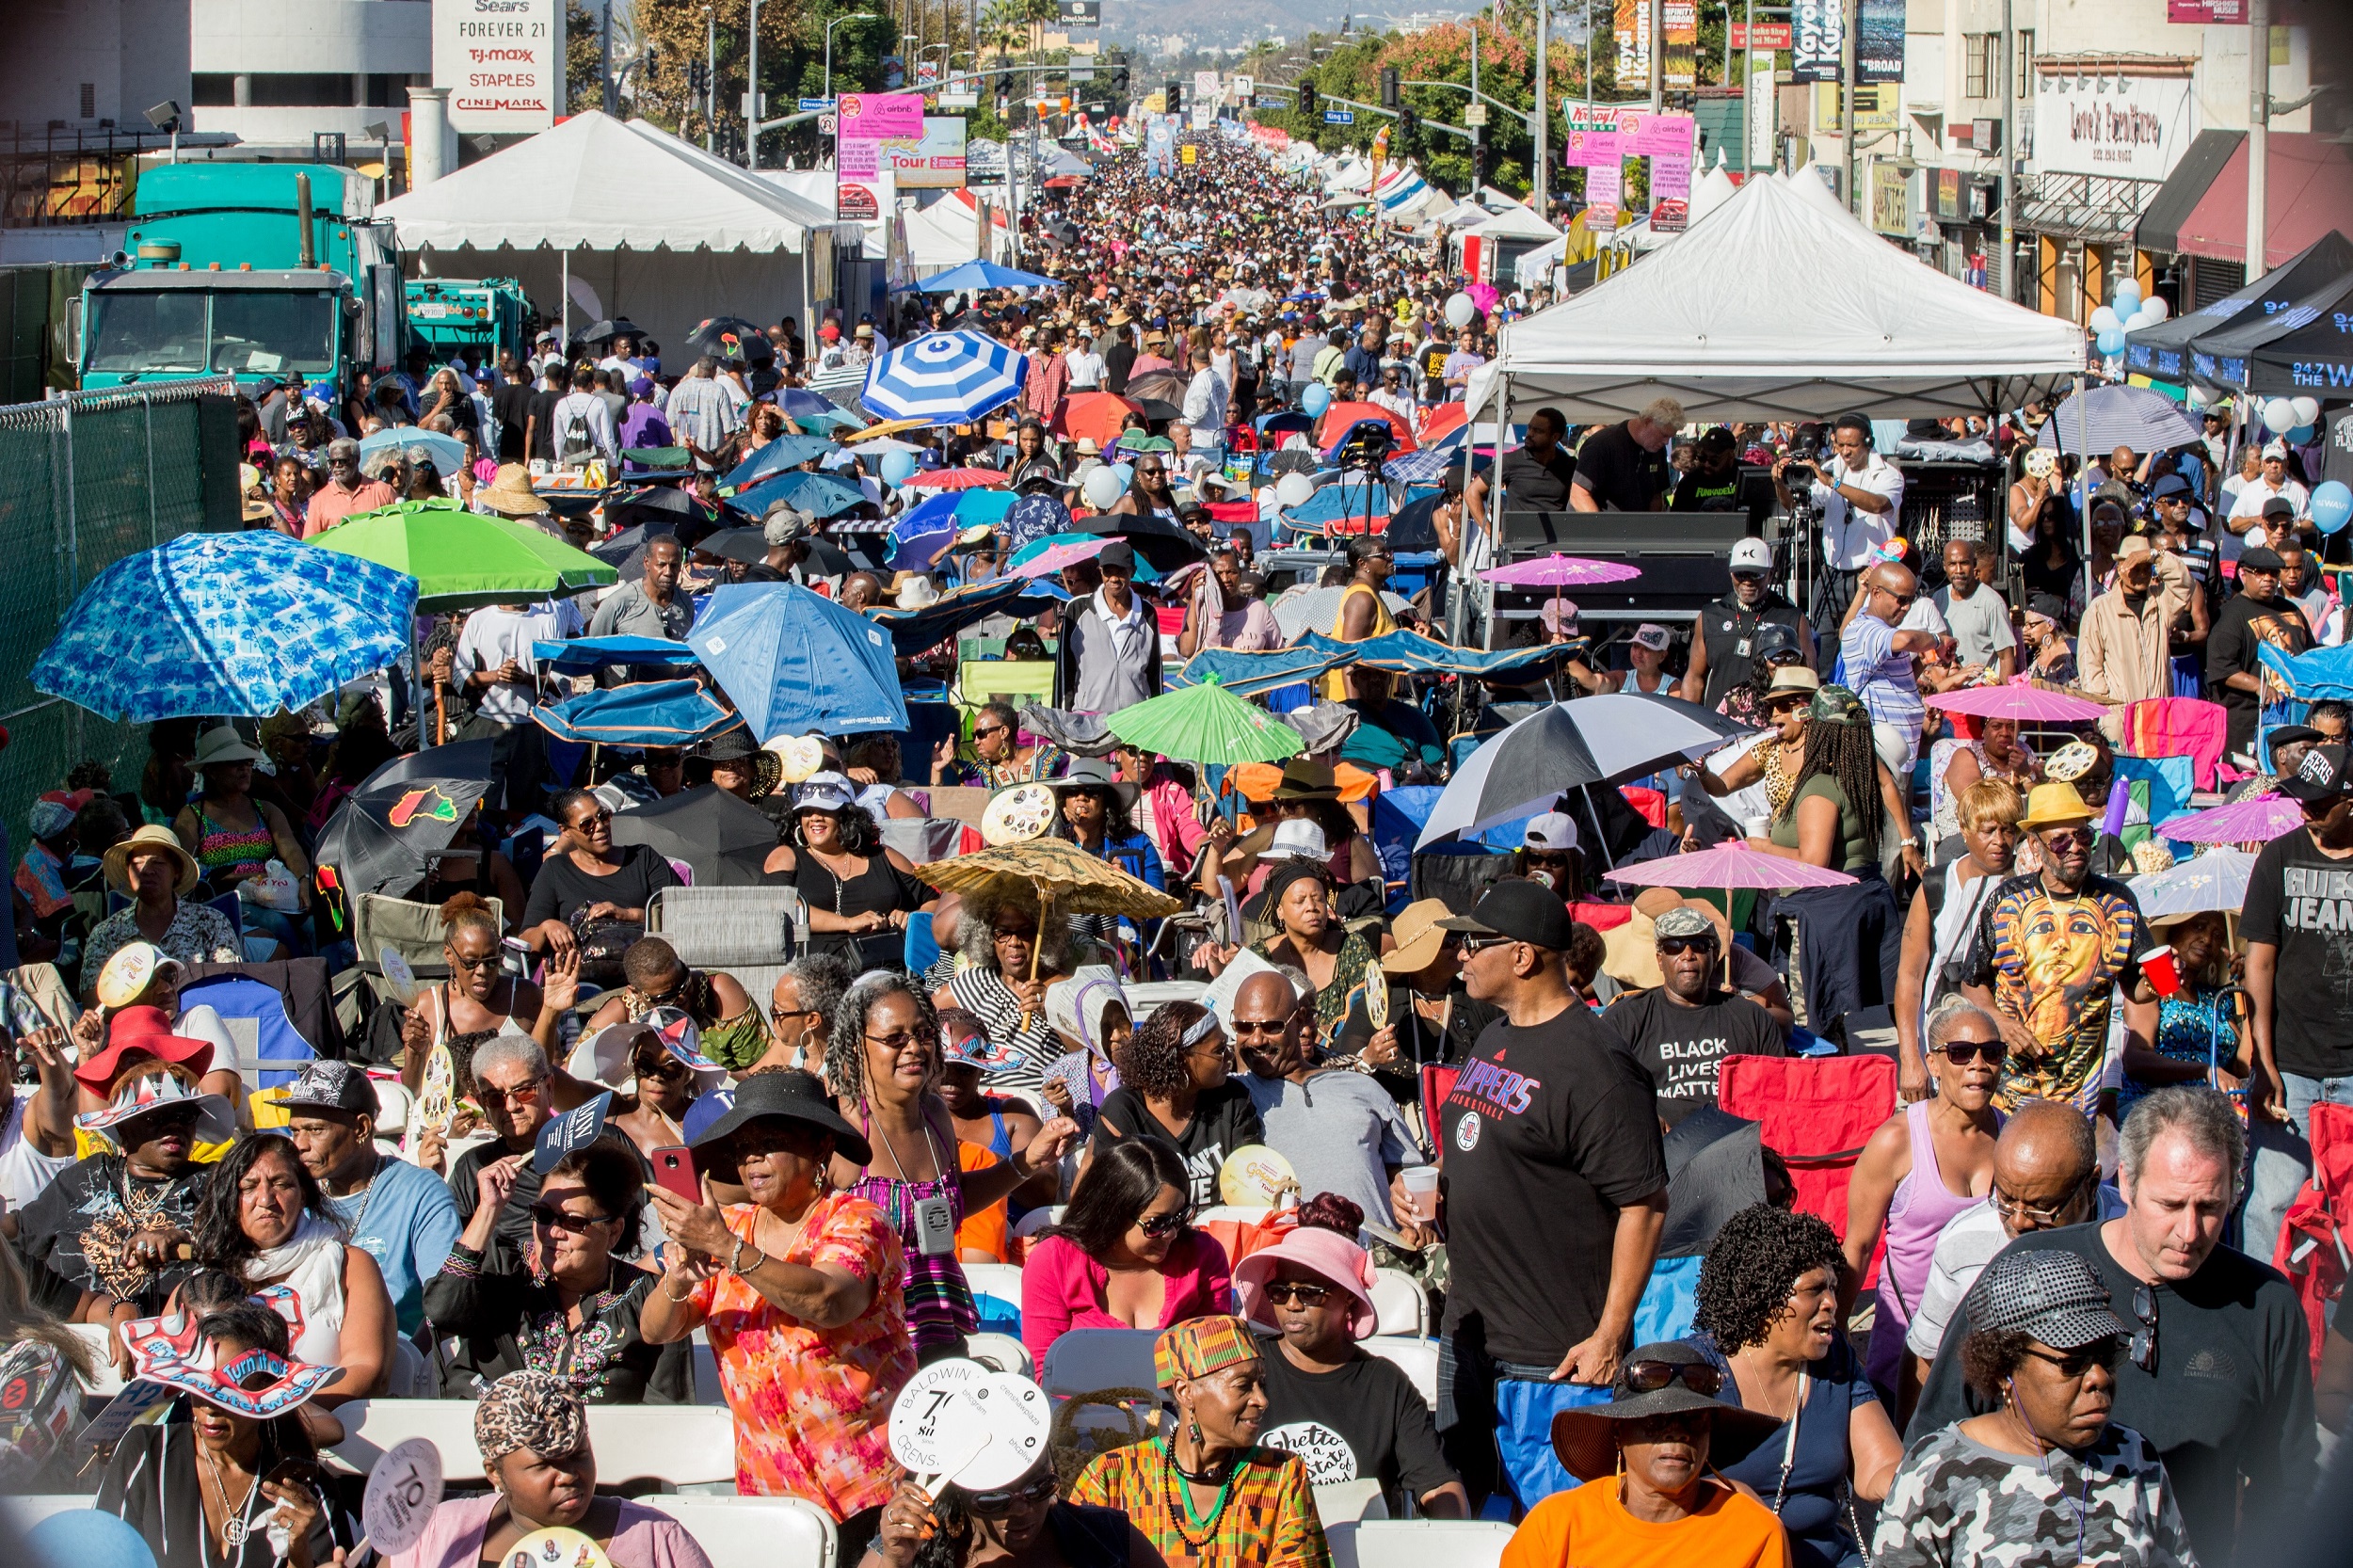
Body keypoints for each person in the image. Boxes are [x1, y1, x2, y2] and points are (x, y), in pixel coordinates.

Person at [1907, 1087, 2315, 1565]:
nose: (2189, 1232)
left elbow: (2287, 1489)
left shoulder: (2265, 1306)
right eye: (2169, 1205)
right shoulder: (2032, 1268)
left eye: (2209, 1208)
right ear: (2126, 1184)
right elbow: (1935, 1438)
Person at [1429, 880, 1670, 1509]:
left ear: (1522, 956)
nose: (1460, 955)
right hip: (1471, 1334)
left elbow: (1643, 1206)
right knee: (1474, 1528)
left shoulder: (1598, 1064)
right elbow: (1481, 1145)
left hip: (1551, 1359)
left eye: (1474, 942)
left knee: (1553, 1533)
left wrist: (1612, 1336)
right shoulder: (1494, 1036)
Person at [641, 1069, 916, 1552]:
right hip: (770, 1502)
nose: (751, 1157)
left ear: (820, 1146)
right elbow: (655, 1330)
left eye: (769, 1141)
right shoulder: (729, 1226)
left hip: (869, 1491)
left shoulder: (856, 1220)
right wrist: (678, 1281)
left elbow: (828, 1301)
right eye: (741, 1145)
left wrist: (727, 1249)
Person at [1873, 1249, 2194, 1568]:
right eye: (2071, 1363)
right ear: (2003, 1369)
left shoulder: (2134, 1456)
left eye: (2107, 1357)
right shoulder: (1934, 1473)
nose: (2099, 1377)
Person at [826, 972, 1076, 1362]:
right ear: (859, 1048)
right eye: (895, 1039)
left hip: (937, 1332)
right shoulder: (839, 1125)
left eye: (923, 1034)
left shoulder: (934, 1116)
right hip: (864, 1348)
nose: (914, 1048)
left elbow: (954, 1199)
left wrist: (1027, 1162)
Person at [1685, 1205, 1903, 1568]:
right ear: (1761, 1295)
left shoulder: (1836, 1363)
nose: (1832, 1303)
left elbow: (1879, 1468)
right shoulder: (1693, 1372)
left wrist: (1929, 1478)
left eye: (1833, 1287)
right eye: (1815, 1290)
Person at [1236, 1193, 1467, 1515]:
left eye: (1309, 1292)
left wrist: (1450, 1534)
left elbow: (1438, 1485)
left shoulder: (1386, 1386)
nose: (1291, 1304)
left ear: (1348, 1298)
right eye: (1280, 1291)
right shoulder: (1242, 1370)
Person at [427, 1138, 690, 1402]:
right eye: (543, 1215)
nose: (552, 1232)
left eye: (573, 1222)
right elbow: (442, 1312)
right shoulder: (506, 1267)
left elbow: (669, 1412)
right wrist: (488, 1209)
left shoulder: (650, 1299)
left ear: (613, 1232)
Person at [95, 1297, 343, 1568]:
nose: (209, 1407)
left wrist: (299, 1554)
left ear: (268, 1392)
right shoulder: (145, 1453)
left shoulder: (307, 1491)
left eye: (228, 1394)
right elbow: (100, 1556)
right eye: (198, 1386)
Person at [1067, 1316, 1332, 1568]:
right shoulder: (1112, 1478)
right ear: (1186, 1392)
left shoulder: (1281, 1477)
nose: (1261, 1400)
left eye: (1261, 1383)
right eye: (1243, 1386)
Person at [1499, 1340, 1789, 1568]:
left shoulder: (1755, 1534)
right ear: (1618, 1432)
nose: (1677, 1432)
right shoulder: (1553, 1526)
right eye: (1655, 1419)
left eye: (1693, 1419)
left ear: (1710, 1432)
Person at [385, 1369, 717, 1568]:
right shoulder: (440, 1534)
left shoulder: (656, 1538)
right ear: (494, 1473)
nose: (569, 1475)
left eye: (579, 1454)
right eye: (543, 1465)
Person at [1842, 998, 2003, 1400]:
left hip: (1990, 1350)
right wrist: (1835, 1335)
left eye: (1992, 1053)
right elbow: (1858, 1248)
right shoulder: (1897, 1142)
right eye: (1962, 1053)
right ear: (1933, 1064)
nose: (1978, 1065)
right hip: (1908, 1349)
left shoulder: (2012, 1138)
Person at [1961, 781, 2154, 1113]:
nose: (2075, 847)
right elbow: (1973, 980)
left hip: (2081, 1095)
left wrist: (2167, 978)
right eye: (2061, 841)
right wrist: (1997, 1020)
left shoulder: (2118, 903)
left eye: (2083, 837)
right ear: (2036, 846)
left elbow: (2139, 990)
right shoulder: (2007, 902)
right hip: (2009, 1089)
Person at [1902, 1100, 2117, 1388]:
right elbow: (1925, 1358)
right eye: (2004, 1199)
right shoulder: (1963, 1244)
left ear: (2091, 1187)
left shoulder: (2130, 1235)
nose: (2017, 1222)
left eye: (2040, 1208)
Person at [2240, 741, 2353, 1262]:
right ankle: (2266, 1331)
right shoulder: (2279, 857)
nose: (2304, 808)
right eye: (2300, 798)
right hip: (2292, 1068)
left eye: (2318, 800)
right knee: (2271, 1203)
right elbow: (2257, 964)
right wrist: (2262, 1060)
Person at [1750, 686, 1908, 1033]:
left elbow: (1813, 860)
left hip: (1823, 919)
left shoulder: (1820, 785)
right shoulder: (1859, 775)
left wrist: (1760, 848)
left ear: (1818, 731)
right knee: (1837, 1027)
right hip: (1864, 899)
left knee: (1812, 1031)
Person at [20, 1061, 227, 1327]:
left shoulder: (218, 1183)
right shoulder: (82, 1179)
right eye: (157, 1116)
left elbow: (252, 1252)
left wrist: (189, 1239)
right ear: (123, 1129)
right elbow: (18, 1242)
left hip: (178, 1351)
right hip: (75, 1346)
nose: (174, 1125)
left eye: (185, 1115)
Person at [1233, 971, 1428, 1233]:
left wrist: (1416, 1219)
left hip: (1380, 1257)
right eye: (1244, 1027)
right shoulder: (1233, 1098)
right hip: (1291, 1260)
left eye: (1271, 1027)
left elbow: (1407, 1170)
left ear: (1299, 1020)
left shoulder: (1362, 1086)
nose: (1256, 1039)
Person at [281, 1059, 458, 1341]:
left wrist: (410, 1364)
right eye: (295, 1131)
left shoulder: (419, 1192)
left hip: (394, 1361)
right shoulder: (294, 1196)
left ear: (362, 1128)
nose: (300, 1144)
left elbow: (446, 1304)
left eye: (315, 1130)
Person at [1021, 1135, 1233, 1368]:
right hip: (1079, 1403)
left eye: (1181, 1216)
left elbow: (1215, 1366)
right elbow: (1045, 1373)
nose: (1172, 1233)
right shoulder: (1053, 1260)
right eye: (1157, 1224)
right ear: (1114, 1214)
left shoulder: (1203, 1257)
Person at [1893, 780, 2022, 1100]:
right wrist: (1910, 1058)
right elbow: (1910, 976)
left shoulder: (2025, 886)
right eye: (1988, 830)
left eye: (2009, 830)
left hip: (2008, 1037)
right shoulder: (1937, 885)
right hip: (1944, 1027)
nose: (2000, 842)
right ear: (1964, 830)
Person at [1602, 907, 1787, 1123]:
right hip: (1658, 1148)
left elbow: (1778, 1098)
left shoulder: (1753, 1019)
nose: (1688, 955)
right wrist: (1642, 1117)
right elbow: (1601, 1094)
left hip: (1737, 1144)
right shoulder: (1624, 1020)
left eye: (1699, 945)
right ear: (1660, 960)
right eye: (1674, 947)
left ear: (1714, 955)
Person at [1091, 998, 1265, 1209]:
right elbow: (1113, 1206)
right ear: (1182, 1059)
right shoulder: (1122, 1113)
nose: (1229, 1055)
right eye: (1218, 1050)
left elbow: (1251, 1189)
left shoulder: (1233, 1099)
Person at [763, 775, 933, 973]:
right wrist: (848, 923)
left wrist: (912, 918)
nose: (815, 818)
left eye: (825, 810)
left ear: (847, 816)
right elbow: (774, 906)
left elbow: (935, 900)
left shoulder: (883, 856)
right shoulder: (786, 857)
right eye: (807, 811)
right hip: (814, 975)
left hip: (887, 969)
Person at [863, 1455, 1143, 1568]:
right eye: (995, 1498)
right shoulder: (912, 1544)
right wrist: (894, 1562)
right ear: (958, 1490)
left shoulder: (1107, 1536)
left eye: (1039, 1487)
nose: (1022, 1509)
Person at [936, 888, 1085, 1090]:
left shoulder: (1066, 988)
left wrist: (1052, 1012)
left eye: (1024, 932)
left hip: (1040, 1106)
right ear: (988, 935)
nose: (1014, 942)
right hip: (979, 1106)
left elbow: (1090, 1061)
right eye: (1003, 933)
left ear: (1045, 934)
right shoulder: (975, 982)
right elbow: (923, 1017)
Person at [79, 824, 242, 999]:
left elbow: (231, 988)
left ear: (176, 872)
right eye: (137, 863)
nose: (146, 870)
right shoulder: (107, 933)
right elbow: (92, 1000)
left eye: (158, 862)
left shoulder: (211, 923)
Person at [519, 789, 680, 963]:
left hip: (646, 969)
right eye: (587, 824)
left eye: (603, 816)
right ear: (565, 831)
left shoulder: (642, 858)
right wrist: (546, 927)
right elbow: (526, 941)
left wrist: (625, 914)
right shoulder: (555, 869)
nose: (600, 826)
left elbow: (681, 916)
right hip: (581, 979)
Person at [1775, 415, 1905, 621]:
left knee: (1864, 642)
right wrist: (1779, 483)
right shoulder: (1830, 467)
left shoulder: (1887, 474)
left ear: (1868, 442)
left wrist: (1833, 483)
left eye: (1852, 445)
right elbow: (1794, 506)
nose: (1845, 451)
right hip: (1832, 573)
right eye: (1840, 444)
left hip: (1870, 574)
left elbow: (1878, 504)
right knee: (1821, 638)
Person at [173, 727, 312, 908]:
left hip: (272, 894)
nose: (245, 769)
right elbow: (184, 870)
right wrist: (241, 880)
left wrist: (304, 880)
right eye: (234, 763)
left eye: (247, 762)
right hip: (224, 902)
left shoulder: (266, 810)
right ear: (212, 771)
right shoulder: (192, 816)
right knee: (277, 925)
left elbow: (292, 850)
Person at [1838, 563, 1935, 818]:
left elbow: (1900, 681)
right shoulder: (1865, 630)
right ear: (1877, 593)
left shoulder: (1883, 633)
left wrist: (1924, 661)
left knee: (1901, 846)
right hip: (1883, 756)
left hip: (1904, 754)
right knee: (1891, 845)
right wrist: (1937, 639)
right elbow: (1905, 640)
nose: (1906, 608)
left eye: (1911, 600)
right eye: (1901, 600)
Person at [1247, 861, 1377, 1039]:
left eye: (1318, 899)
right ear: (1280, 912)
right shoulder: (1260, 957)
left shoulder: (1351, 948)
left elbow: (1369, 1011)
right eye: (1300, 901)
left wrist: (1331, 1029)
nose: (1312, 907)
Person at [2206, 545, 2313, 758]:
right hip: (2250, 720)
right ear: (2243, 574)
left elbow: (2309, 654)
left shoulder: (2291, 609)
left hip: (2294, 715)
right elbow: (2221, 668)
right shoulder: (2230, 615)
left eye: (2273, 573)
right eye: (2260, 572)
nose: (2268, 578)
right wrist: (2259, 686)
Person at [1682, 538, 1811, 713]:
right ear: (1730, 574)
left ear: (1770, 574)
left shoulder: (1791, 617)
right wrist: (1688, 717)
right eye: (1740, 574)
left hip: (1771, 723)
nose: (1747, 581)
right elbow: (1694, 677)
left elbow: (1808, 677)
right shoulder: (1710, 616)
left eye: (1755, 574)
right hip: (1721, 725)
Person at [2076, 535, 2191, 706]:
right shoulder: (2099, 610)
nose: (2143, 573)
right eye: (2136, 568)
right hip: (2121, 717)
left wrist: (2155, 556)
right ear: (2121, 567)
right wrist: (2109, 714)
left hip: (2158, 714)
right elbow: (2090, 667)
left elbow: (2184, 583)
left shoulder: (2161, 601)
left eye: (2147, 567)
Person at [1055, 540, 1160, 712]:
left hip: (1136, 720)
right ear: (1100, 571)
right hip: (1088, 720)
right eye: (1108, 571)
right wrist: (1061, 720)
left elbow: (1155, 673)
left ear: (1132, 572)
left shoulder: (1147, 613)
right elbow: (1064, 671)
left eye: (1120, 571)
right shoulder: (1077, 609)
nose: (1113, 578)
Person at [1924, 716, 2035, 858]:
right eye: (1997, 726)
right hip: (1966, 837)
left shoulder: (2024, 755)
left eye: (2012, 727)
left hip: (2014, 836)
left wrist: (2031, 778)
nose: (2005, 732)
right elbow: (1975, 798)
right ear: (1984, 730)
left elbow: (2040, 804)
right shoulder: (1966, 755)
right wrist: (2020, 777)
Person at [1317, 538, 1400, 700]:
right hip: (1350, 704)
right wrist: (1355, 709)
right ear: (1363, 564)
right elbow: (1348, 656)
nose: (1390, 557)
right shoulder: (1362, 599)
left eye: (1389, 552)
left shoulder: (1371, 595)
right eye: (1383, 554)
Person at [1570, 399, 1677, 513]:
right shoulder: (1602, 444)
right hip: (1601, 525)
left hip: (1637, 527)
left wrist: (1651, 527)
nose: (1666, 442)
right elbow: (1579, 495)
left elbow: (1656, 496)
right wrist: (1600, 528)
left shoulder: (1657, 449)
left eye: (1669, 437)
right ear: (1647, 421)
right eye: (1663, 435)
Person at [1929, 539, 2015, 680]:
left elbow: (2006, 657)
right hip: (1947, 691)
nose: (1958, 570)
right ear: (1945, 566)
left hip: (1981, 693)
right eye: (1952, 564)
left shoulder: (1992, 603)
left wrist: (2005, 698)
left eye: (1964, 563)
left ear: (1974, 565)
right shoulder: (1938, 598)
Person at [587, 535, 696, 647]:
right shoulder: (618, 603)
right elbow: (593, 652)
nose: (668, 572)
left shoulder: (686, 603)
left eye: (674, 565)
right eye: (661, 565)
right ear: (646, 563)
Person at [763, 951, 854, 1077]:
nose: (773, 1017)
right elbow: (749, 1080)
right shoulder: (787, 1046)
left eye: (779, 1012)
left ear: (812, 1020)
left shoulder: (843, 1070)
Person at [301, 437, 394, 536]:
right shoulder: (318, 501)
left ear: (357, 459)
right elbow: (310, 544)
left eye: (343, 461)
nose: (337, 466)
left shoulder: (383, 491)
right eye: (332, 462)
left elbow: (398, 529)